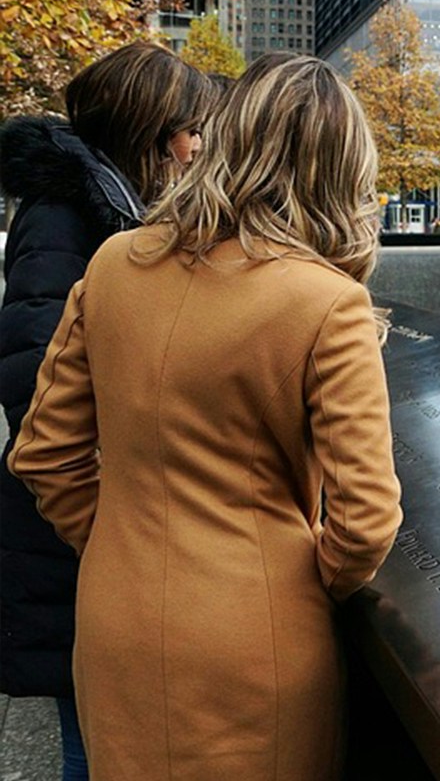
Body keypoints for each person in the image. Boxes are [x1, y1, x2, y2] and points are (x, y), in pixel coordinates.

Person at [8, 54, 403, 780]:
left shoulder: (114, 264)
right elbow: (366, 522)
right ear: (344, 169)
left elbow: (41, 452)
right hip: (255, 638)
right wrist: (295, 578)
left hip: (114, 617)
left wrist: (118, 539)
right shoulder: (328, 304)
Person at [0, 40, 217, 781]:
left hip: (80, 537)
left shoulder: (102, 206)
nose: (196, 149)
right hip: (66, 544)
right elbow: (38, 384)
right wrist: (107, 527)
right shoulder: (67, 217)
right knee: (90, 749)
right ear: (148, 130)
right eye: (190, 130)